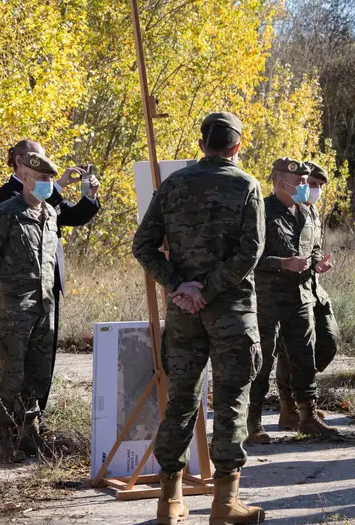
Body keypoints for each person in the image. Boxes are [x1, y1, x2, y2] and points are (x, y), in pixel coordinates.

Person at [132, 112, 265, 524]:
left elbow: (144, 245)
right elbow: (251, 252)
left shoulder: (173, 184)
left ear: (202, 143)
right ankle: (225, 504)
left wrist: (179, 287)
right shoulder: (246, 185)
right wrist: (207, 291)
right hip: (231, 314)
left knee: (181, 404)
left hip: (185, 315)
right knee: (230, 404)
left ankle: (169, 502)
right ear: (237, 147)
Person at [0, 139, 101, 432]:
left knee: (44, 361)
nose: (42, 167)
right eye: (35, 160)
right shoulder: (6, 194)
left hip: (48, 287)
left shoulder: (48, 192)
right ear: (19, 162)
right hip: (19, 294)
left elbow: (68, 216)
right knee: (16, 364)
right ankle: (9, 427)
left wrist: (89, 198)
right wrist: (57, 187)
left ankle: (34, 421)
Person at [0, 152, 60, 464]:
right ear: (25, 178)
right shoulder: (7, 213)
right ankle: (3, 439)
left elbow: (50, 264)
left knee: (38, 373)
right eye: (41, 179)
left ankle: (29, 433)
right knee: (12, 371)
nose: (46, 185)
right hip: (13, 308)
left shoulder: (50, 214)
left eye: (50, 179)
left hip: (44, 307)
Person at [253, 158, 337, 440]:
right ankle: (252, 424)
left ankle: (306, 417)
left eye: (306, 181)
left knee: (303, 358)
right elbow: (248, 258)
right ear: (280, 183)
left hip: (300, 297)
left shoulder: (306, 213)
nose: (305, 187)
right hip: (268, 299)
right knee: (262, 361)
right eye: (300, 182)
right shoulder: (261, 212)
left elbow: (311, 250)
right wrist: (282, 264)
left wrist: (317, 265)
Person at [304, 161, 339, 375]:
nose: (317, 189)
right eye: (313, 183)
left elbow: (316, 247)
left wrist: (318, 263)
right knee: (296, 350)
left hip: (314, 288)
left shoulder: (313, 212)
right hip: (288, 293)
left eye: (321, 185)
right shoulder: (282, 209)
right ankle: (294, 400)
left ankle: (304, 383)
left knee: (329, 338)